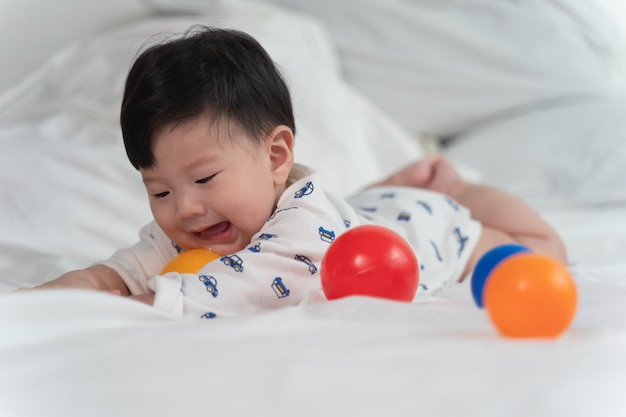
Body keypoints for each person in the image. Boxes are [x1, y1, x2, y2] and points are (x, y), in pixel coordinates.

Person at [30, 27, 566, 318]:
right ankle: (386, 189)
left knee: (539, 250)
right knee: (358, 205)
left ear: (275, 155)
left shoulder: (298, 239)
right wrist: (61, 291)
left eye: (205, 179)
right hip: (358, 222)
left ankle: (454, 185)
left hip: (421, 231)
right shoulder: (190, 225)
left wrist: (134, 304)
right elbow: (118, 273)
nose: (184, 208)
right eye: (160, 190)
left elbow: (220, 296)